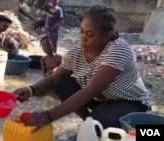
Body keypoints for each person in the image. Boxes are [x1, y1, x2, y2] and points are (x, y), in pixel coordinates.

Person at [13, 5, 152, 132]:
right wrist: (31, 90)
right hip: (102, 100)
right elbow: (54, 77)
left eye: (90, 35)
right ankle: (91, 122)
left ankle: (142, 131)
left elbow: (91, 90)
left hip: (129, 102)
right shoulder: (76, 53)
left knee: (102, 123)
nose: (83, 38)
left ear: (107, 36)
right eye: (82, 31)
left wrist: (48, 116)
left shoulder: (119, 51)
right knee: (61, 82)